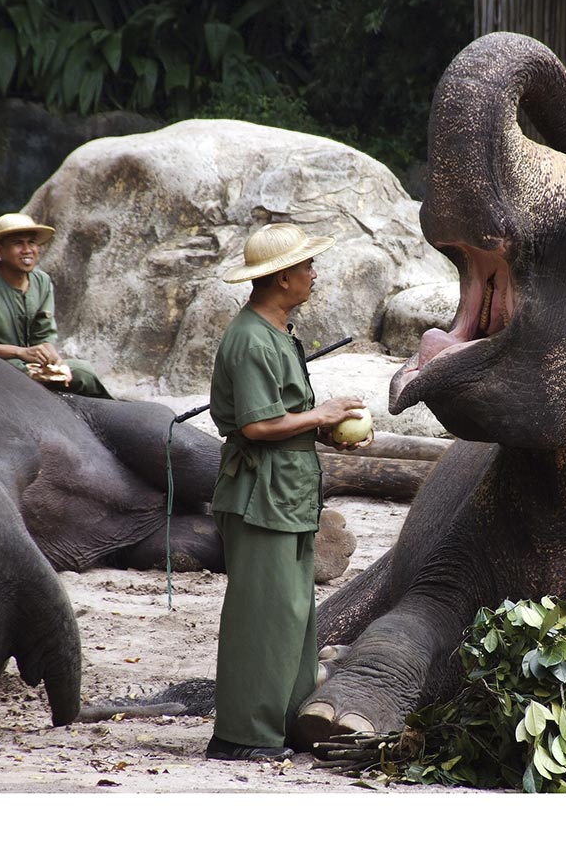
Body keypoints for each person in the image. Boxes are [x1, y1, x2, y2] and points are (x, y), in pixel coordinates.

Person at [206, 222, 370, 762]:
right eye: (305, 267)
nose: (313, 274)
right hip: (261, 495)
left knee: (294, 614)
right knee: (262, 612)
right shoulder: (252, 339)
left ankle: (285, 722)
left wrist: (320, 427)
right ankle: (241, 735)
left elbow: (284, 416)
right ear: (280, 279)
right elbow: (255, 426)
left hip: (289, 493)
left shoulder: (279, 332)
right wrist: (319, 414)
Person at [0, 212, 112, 398]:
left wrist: (54, 361)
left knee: (82, 372)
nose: (27, 249)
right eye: (18, 243)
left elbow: (43, 335)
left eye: (31, 242)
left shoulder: (41, 281)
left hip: (29, 364)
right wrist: (20, 352)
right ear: (0, 249)